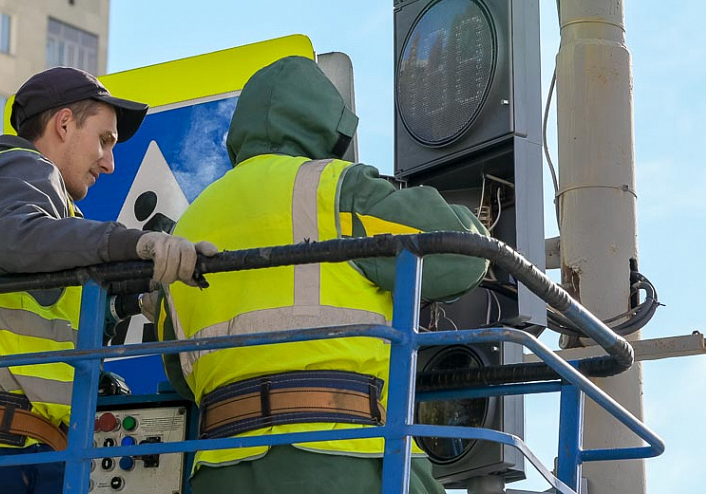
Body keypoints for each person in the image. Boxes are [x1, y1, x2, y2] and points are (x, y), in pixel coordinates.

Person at [155, 56, 490, 494]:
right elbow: (462, 252)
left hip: (222, 467)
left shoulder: (187, 225)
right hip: (344, 456)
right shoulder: (334, 188)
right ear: (326, 129)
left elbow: (179, 372)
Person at [0, 66, 216, 494]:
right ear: (62, 124)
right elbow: (14, 240)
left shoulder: (32, 198)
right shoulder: (23, 168)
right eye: (104, 140)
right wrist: (134, 243)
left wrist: (127, 301)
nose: (110, 163)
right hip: (7, 444)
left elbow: (40, 298)